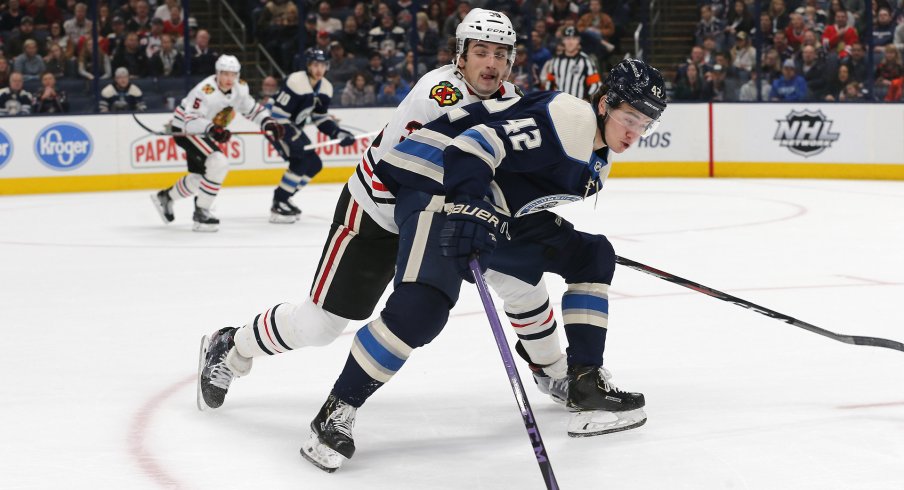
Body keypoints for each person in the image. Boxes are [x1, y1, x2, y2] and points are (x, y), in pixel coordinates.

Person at [195, 10, 576, 441]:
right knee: (320, 326)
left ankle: (554, 371)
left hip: (438, 217)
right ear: (461, 55)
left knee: (522, 278)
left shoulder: (509, 97)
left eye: (501, 54)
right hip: (378, 213)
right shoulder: (439, 94)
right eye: (481, 52)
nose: (491, 63)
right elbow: (418, 172)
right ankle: (231, 347)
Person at [296, 58, 666, 472]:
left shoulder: (596, 156)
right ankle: (336, 409)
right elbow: (474, 145)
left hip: (485, 203)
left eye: (645, 123)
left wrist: (523, 228)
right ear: (604, 104)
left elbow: (516, 188)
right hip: (436, 185)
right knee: (423, 308)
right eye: (630, 117)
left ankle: (585, 381)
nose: (635, 131)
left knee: (591, 255)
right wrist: (470, 204)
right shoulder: (572, 120)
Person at [150, 55, 280, 232]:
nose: (228, 79)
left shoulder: (240, 87)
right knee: (218, 162)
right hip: (186, 131)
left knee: (202, 177)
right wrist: (213, 129)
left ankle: (165, 197)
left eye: (232, 74)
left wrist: (267, 121)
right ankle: (202, 211)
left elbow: (250, 108)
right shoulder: (204, 91)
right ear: (217, 73)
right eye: (224, 74)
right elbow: (191, 120)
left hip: (204, 130)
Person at [265, 48, 357, 223]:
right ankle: (279, 201)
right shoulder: (296, 81)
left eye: (323, 65)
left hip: (292, 127)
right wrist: (292, 138)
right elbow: (277, 115)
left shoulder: (326, 88)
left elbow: (319, 118)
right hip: (276, 125)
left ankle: (286, 196)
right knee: (299, 161)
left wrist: (337, 132)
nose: (319, 69)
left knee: (314, 164)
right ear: (308, 65)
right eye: (315, 64)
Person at [540, 26, 601, 99]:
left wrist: (587, 100)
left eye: (574, 39)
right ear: (563, 41)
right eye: (567, 39)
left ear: (578, 40)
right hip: (559, 104)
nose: (570, 42)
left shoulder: (586, 61)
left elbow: (595, 85)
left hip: (578, 105)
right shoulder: (555, 61)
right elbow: (549, 83)